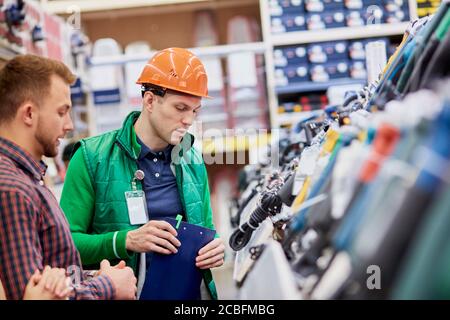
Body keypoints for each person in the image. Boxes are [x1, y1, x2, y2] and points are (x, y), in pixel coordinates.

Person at [60, 47, 225, 299]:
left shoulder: (192, 159)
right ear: (149, 101)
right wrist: (125, 240)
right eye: (180, 108)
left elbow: (207, 230)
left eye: (195, 110)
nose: (189, 120)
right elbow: (65, 245)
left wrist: (215, 249)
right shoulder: (91, 157)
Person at [0, 54, 137, 300]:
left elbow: (55, 278)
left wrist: (90, 278)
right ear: (29, 114)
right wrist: (108, 286)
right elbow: (35, 296)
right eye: (62, 112)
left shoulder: (27, 180)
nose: (69, 125)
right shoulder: (13, 190)